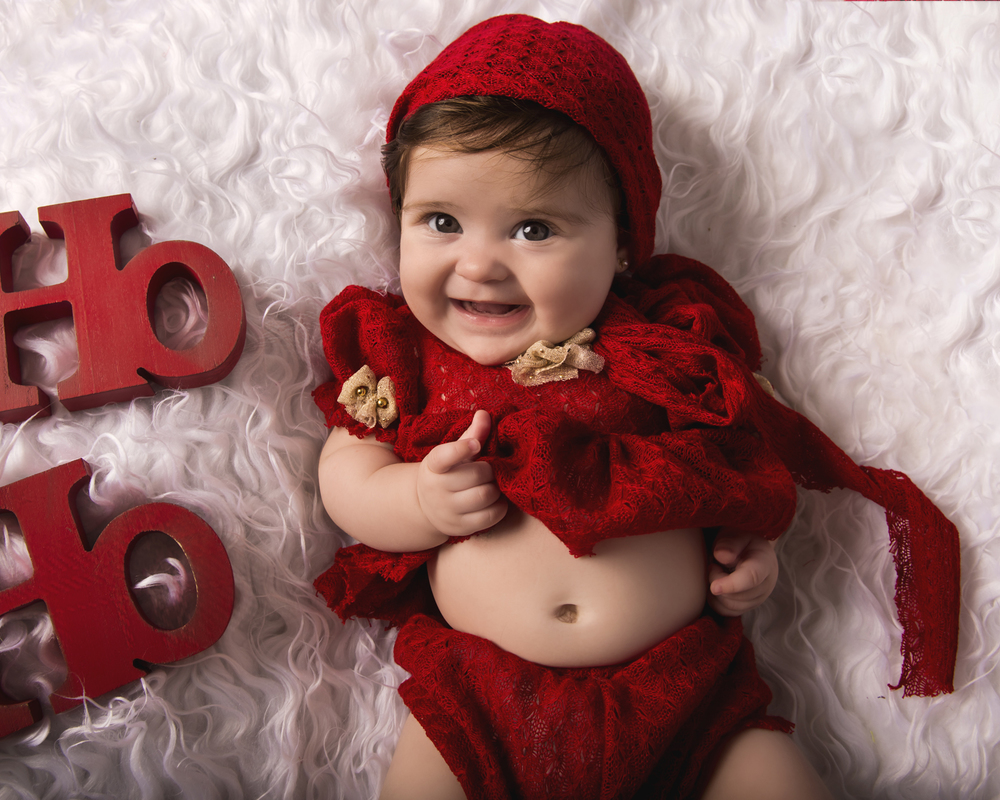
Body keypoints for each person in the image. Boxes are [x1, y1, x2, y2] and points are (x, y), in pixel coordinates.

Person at [312, 15, 959, 800]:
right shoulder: (403, 360)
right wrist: (413, 498)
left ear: (621, 243)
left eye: (534, 228)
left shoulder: (659, 349)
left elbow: (731, 471)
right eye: (441, 221)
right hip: (480, 699)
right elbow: (346, 471)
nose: (478, 262)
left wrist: (746, 555)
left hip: (687, 697)